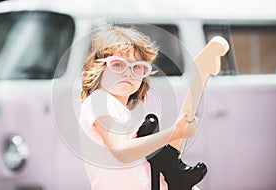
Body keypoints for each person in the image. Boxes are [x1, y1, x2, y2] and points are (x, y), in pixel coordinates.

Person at [79, 25, 199, 190]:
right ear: (98, 67)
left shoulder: (121, 112)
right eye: (118, 65)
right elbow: (122, 151)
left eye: (137, 67)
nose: (128, 72)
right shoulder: (100, 101)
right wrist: (175, 133)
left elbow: (141, 168)